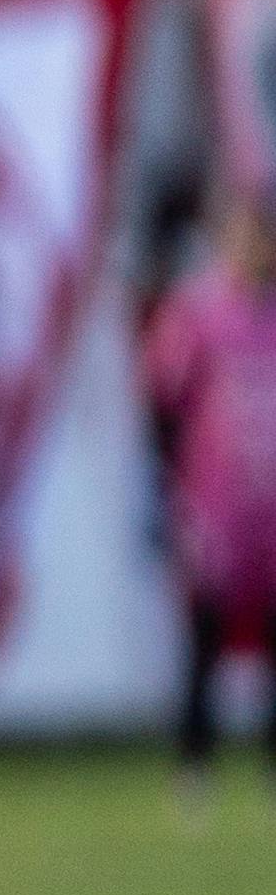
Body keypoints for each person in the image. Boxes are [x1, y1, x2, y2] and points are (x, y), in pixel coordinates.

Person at [144, 194, 276, 809]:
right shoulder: (199, 313)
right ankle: (194, 766)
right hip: (217, 503)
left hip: (270, 505)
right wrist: (170, 491)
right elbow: (163, 405)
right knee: (206, 635)